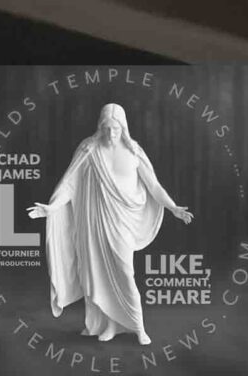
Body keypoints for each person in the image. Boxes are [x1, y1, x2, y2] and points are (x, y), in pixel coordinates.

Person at [28, 102, 193, 348]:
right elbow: (70, 184)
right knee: (99, 274)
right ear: (100, 127)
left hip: (122, 223)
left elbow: (154, 186)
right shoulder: (89, 150)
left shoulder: (134, 151)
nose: (111, 133)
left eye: (116, 129)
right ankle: (110, 325)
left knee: (125, 273)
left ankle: (138, 327)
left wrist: (173, 207)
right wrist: (51, 208)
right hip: (95, 224)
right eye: (106, 128)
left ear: (123, 128)